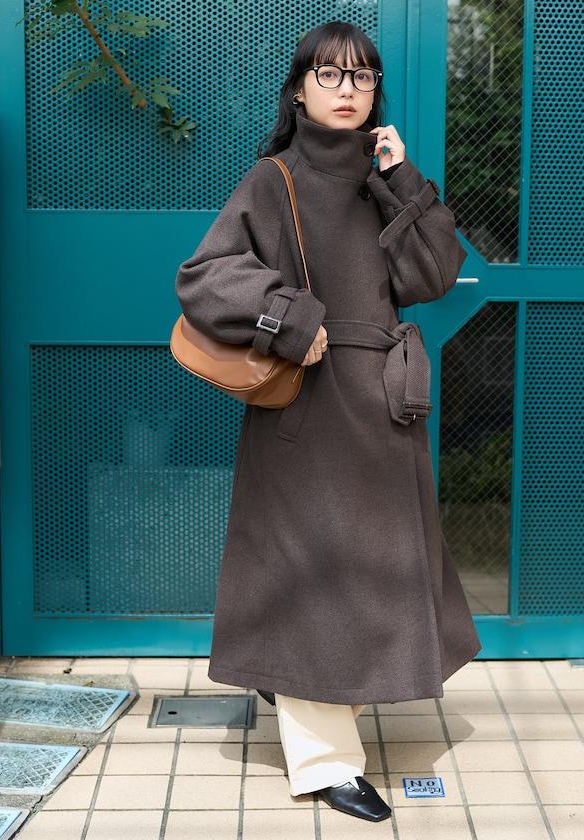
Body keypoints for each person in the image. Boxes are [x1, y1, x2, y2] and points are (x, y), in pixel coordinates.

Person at [174, 20, 482, 823]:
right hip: (309, 414)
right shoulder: (273, 179)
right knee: (313, 579)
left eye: (362, 76)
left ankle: (304, 692)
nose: (347, 90)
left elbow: (434, 274)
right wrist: (288, 317)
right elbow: (204, 276)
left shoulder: (380, 181)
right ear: (300, 88)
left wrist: (403, 178)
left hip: (381, 410)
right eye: (330, 75)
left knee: (369, 577)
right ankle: (325, 762)